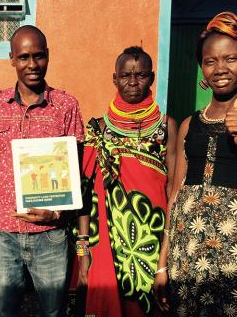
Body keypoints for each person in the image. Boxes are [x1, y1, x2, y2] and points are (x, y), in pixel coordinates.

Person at [153, 12, 237, 316]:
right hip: (187, 259)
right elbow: (176, 197)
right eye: (210, 61)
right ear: (202, 67)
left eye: (230, 59)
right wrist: (162, 265)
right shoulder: (190, 125)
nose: (220, 69)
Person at [0, 25, 84, 316]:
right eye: (24, 57)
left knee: (53, 312)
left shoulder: (66, 106)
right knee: (4, 311)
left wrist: (58, 213)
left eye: (39, 56)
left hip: (51, 231)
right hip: (4, 229)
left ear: (48, 56)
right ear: (12, 59)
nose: (32, 65)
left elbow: (75, 169)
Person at [74, 46, 177, 316]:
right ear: (114, 78)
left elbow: (173, 188)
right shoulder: (98, 129)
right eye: (125, 76)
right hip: (105, 243)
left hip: (150, 240)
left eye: (141, 75)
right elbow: (84, 195)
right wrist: (83, 248)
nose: (133, 82)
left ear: (152, 78)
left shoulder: (166, 126)